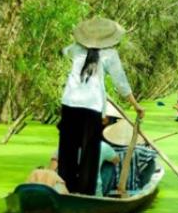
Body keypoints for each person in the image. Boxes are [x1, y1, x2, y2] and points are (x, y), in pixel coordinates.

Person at [58, 17, 145, 195]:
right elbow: (121, 82)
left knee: (67, 150)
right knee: (90, 153)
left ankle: (65, 188)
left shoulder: (76, 49)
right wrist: (136, 105)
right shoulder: (110, 54)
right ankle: (85, 193)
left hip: (69, 103)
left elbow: (63, 52)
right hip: (92, 106)